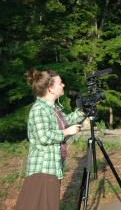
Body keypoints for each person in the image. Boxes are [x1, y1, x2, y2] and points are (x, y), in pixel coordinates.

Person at [15, 69, 83, 210]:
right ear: (50, 89)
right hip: (42, 169)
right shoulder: (39, 109)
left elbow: (66, 121)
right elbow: (44, 136)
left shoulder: (53, 108)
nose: (63, 85)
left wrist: (83, 112)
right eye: (60, 83)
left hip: (52, 168)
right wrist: (66, 132)